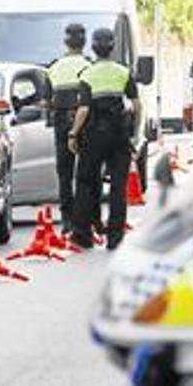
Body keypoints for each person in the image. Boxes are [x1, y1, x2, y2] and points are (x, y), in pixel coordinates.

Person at [68, 28, 141, 250]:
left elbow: (83, 109)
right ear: (112, 47)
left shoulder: (87, 74)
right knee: (118, 187)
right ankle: (115, 237)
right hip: (119, 134)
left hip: (93, 135)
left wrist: (73, 133)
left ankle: (82, 234)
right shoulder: (123, 72)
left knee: (86, 182)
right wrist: (135, 133)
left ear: (94, 47)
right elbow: (136, 104)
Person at [45, 24, 91, 234]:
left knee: (64, 174)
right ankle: (85, 220)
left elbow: (47, 101)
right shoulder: (89, 66)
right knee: (86, 172)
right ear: (84, 42)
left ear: (66, 42)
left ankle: (67, 221)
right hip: (87, 121)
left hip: (62, 122)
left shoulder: (53, 68)